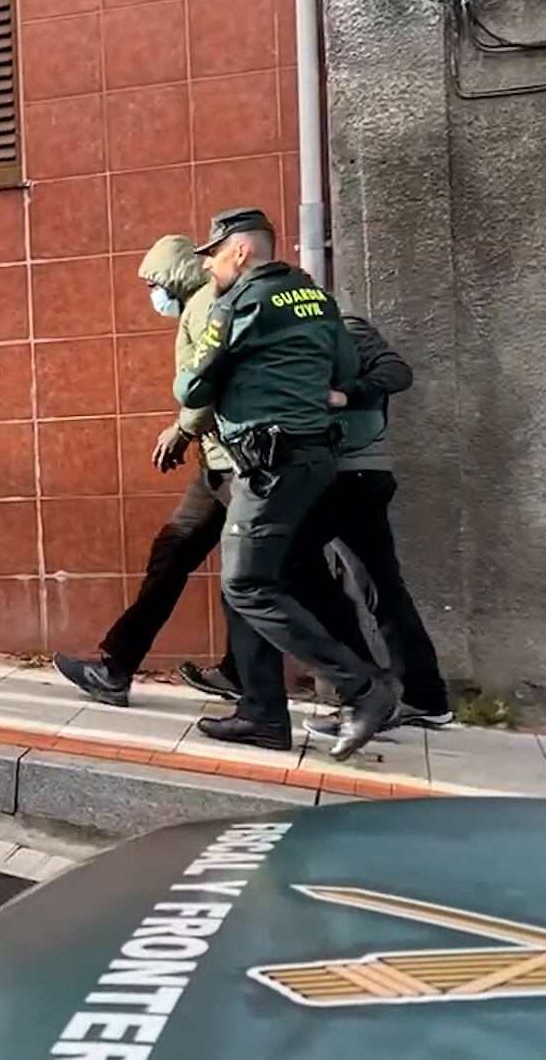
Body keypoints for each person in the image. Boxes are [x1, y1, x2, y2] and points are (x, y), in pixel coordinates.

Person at [53, 235, 370, 707]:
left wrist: (180, 431)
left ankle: (361, 685)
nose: (152, 295)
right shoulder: (208, 302)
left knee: (277, 575)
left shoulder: (205, 305)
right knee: (202, 562)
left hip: (235, 464)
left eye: (154, 283)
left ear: (174, 275)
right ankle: (132, 666)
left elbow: (207, 386)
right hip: (223, 466)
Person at [175, 207, 394, 761]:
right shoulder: (317, 300)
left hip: (271, 461)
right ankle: (263, 715)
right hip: (312, 458)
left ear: (241, 251)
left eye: (216, 256)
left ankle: (363, 689)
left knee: (247, 584)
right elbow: (344, 373)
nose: (211, 269)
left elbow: (192, 387)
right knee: (248, 578)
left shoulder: (239, 304)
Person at [301, 315, 455, 739]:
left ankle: (366, 695)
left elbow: (396, 372)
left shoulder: (342, 329)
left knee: (282, 573)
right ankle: (425, 697)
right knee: (381, 589)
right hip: (349, 478)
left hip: (348, 477)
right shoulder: (301, 333)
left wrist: (343, 395)